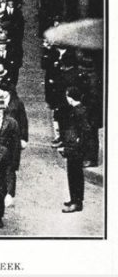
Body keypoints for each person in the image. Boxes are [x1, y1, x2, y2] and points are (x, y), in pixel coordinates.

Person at [60, 85, 91, 213]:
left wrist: (79, 143)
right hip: (73, 148)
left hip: (76, 150)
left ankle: (77, 202)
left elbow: (86, 130)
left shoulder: (79, 111)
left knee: (75, 176)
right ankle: (74, 199)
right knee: (72, 174)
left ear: (71, 98)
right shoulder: (77, 109)